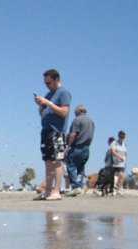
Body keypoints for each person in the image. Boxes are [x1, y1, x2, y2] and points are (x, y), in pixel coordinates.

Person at [34, 69, 71, 201]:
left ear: (56, 79)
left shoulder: (63, 93)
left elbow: (64, 112)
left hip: (57, 132)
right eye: (45, 83)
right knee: (48, 162)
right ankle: (48, 190)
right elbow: (44, 114)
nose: (47, 86)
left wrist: (48, 103)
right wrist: (41, 106)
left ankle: (57, 191)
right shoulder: (48, 94)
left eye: (49, 83)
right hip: (46, 131)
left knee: (56, 161)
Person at [64, 105, 95, 196]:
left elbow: (73, 134)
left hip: (77, 147)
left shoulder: (77, 120)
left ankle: (75, 187)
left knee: (71, 166)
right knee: (81, 168)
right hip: (86, 148)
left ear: (78, 112)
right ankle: (79, 186)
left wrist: (68, 146)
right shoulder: (91, 122)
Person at [110, 130, 127, 195]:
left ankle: (119, 189)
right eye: (121, 137)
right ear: (118, 137)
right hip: (114, 162)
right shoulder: (114, 143)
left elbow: (126, 154)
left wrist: (126, 161)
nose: (122, 138)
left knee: (121, 175)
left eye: (123, 137)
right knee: (112, 177)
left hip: (122, 163)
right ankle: (112, 189)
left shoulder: (125, 144)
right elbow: (113, 151)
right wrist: (119, 156)